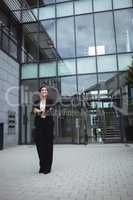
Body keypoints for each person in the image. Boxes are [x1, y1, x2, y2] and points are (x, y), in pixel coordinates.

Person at [32, 84, 54, 174]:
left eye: (45, 90)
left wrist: (40, 111)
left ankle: (48, 167)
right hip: (39, 127)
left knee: (48, 147)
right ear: (40, 92)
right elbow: (33, 110)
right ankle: (42, 166)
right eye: (42, 90)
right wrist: (40, 111)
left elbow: (50, 111)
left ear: (47, 92)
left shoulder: (50, 101)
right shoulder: (36, 101)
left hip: (48, 127)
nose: (44, 91)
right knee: (40, 147)